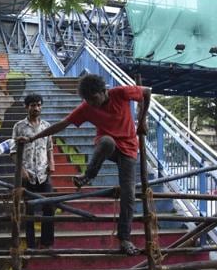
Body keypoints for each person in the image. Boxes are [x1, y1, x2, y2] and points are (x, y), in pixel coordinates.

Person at [17, 74, 151, 255]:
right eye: (88, 100)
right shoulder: (87, 107)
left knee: (129, 195)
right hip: (107, 146)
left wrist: (142, 120)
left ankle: (124, 238)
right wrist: (33, 138)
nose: (92, 104)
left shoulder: (120, 93)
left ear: (105, 92)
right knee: (107, 142)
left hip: (129, 150)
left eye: (94, 99)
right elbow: (62, 124)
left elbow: (147, 92)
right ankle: (88, 175)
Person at [10, 93, 56, 249]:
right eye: (32, 105)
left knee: (49, 207)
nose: (36, 108)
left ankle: (47, 242)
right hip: (27, 174)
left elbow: (50, 147)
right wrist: (21, 170)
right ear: (26, 107)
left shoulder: (46, 126)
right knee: (29, 209)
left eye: (38, 105)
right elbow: (13, 151)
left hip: (44, 174)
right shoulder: (19, 127)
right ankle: (31, 243)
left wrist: (52, 162)